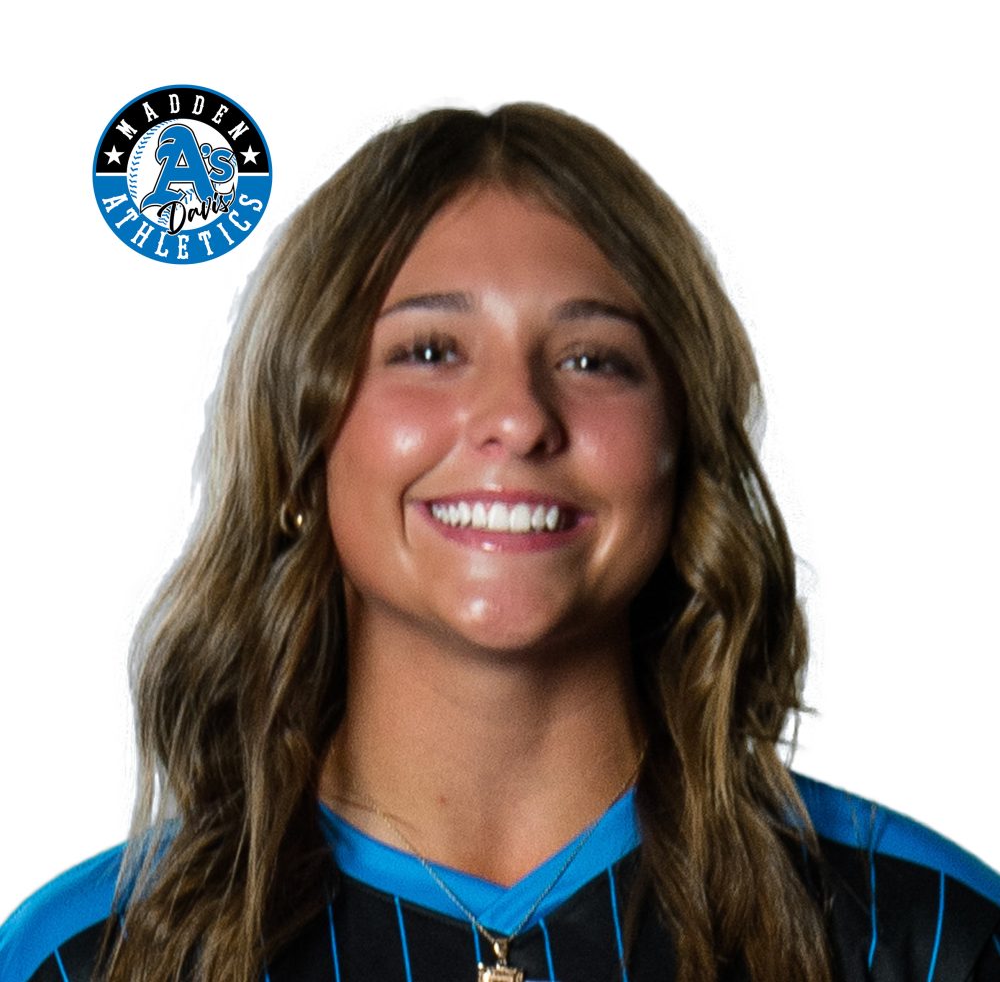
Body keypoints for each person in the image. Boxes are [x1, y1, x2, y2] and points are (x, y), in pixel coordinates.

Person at [1, 104, 997, 982]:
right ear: (301, 449)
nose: (518, 418)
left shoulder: (925, 935)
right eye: (430, 351)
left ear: (682, 447)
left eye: (592, 359)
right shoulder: (91, 958)